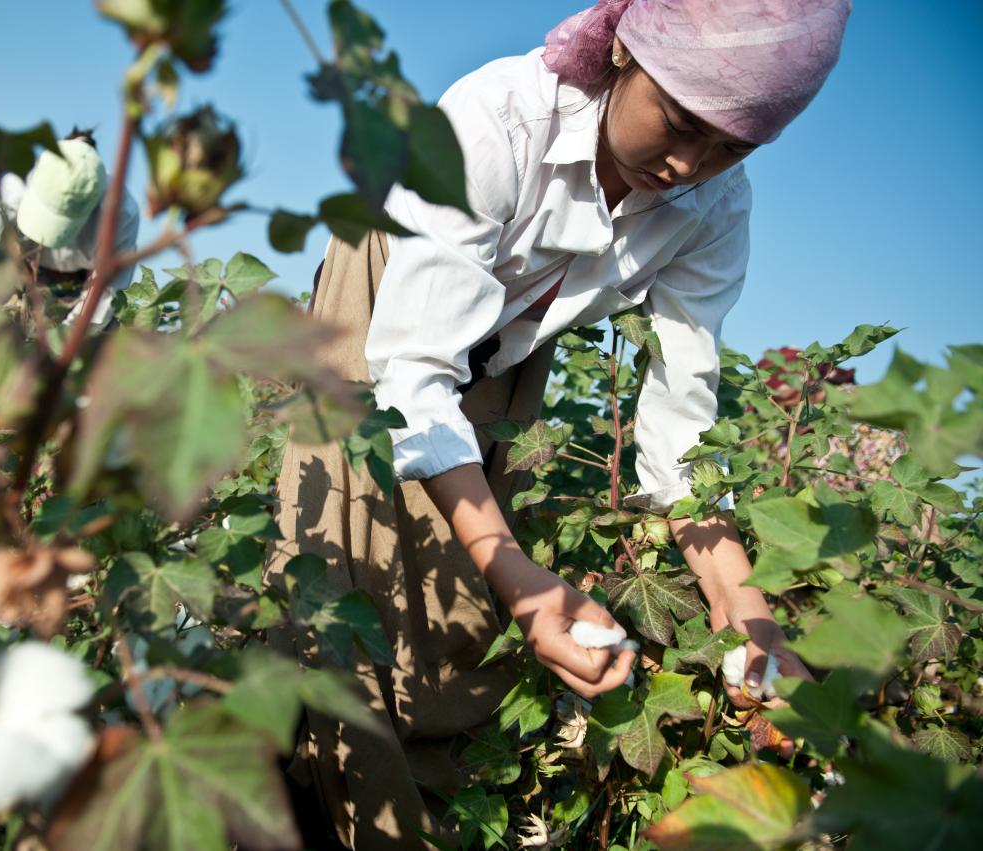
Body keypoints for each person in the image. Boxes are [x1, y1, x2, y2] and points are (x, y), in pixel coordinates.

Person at [262, 1, 851, 848]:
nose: (691, 162)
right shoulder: (497, 120)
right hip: (386, 296)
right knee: (344, 574)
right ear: (621, 51)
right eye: (680, 121)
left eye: (733, 145)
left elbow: (682, 432)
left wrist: (748, 615)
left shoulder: (714, 206)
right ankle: (300, 799)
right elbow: (414, 376)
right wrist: (522, 581)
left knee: (457, 627)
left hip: (509, 346)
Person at [0, 128, 141, 331]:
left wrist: (60, 350)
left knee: (99, 346)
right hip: (16, 277)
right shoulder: (13, 187)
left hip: (78, 290)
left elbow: (101, 301)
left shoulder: (120, 213)